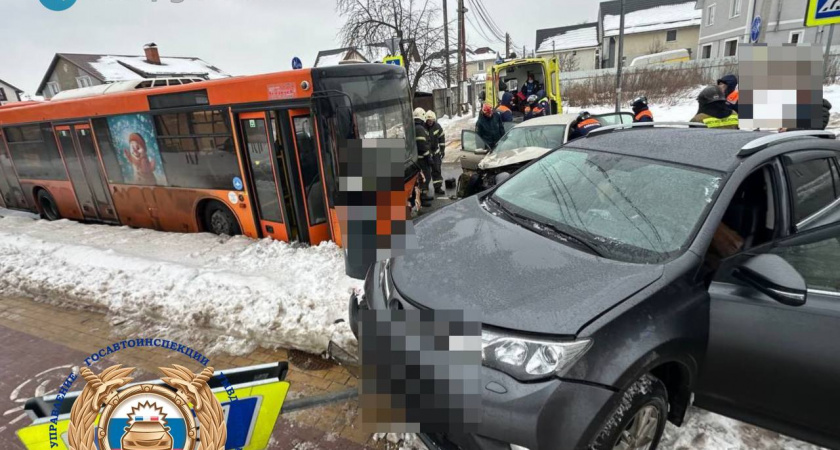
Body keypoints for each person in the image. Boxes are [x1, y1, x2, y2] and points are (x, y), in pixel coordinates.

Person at [413, 107, 434, 206]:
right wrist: (428, 157)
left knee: (423, 178)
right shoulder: (419, 128)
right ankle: (422, 198)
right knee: (425, 177)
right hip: (422, 159)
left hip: (419, 158)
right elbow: (422, 145)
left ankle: (423, 196)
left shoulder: (414, 127)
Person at [425, 110, 446, 196]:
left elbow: (442, 138)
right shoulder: (423, 127)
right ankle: (424, 189)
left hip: (435, 152)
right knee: (426, 172)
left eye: (431, 120)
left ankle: (438, 187)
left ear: (434, 120)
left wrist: (442, 150)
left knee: (437, 170)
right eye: (428, 120)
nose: (430, 122)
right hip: (426, 153)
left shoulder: (437, 127)